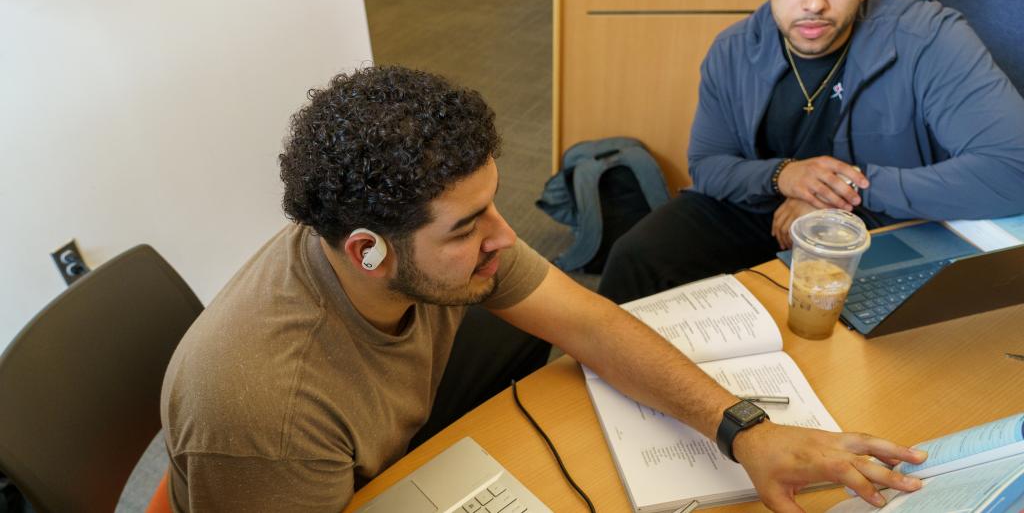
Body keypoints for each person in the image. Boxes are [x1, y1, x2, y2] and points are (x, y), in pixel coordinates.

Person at [160, 65, 926, 513]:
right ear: (369, 251)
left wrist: (745, 431)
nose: (503, 234)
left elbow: (590, 323)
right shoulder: (270, 411)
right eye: (465, 227)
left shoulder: (410, 244)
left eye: (493, 202)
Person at [598, 0, 1024, 305]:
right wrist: (785, 175)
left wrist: (839, 195)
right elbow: (709, 164)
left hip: (884, 222)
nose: (815, 2)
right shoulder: (733, 49)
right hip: (769, 208)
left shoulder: (929, 38)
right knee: (637, 258)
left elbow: (1014, 168)